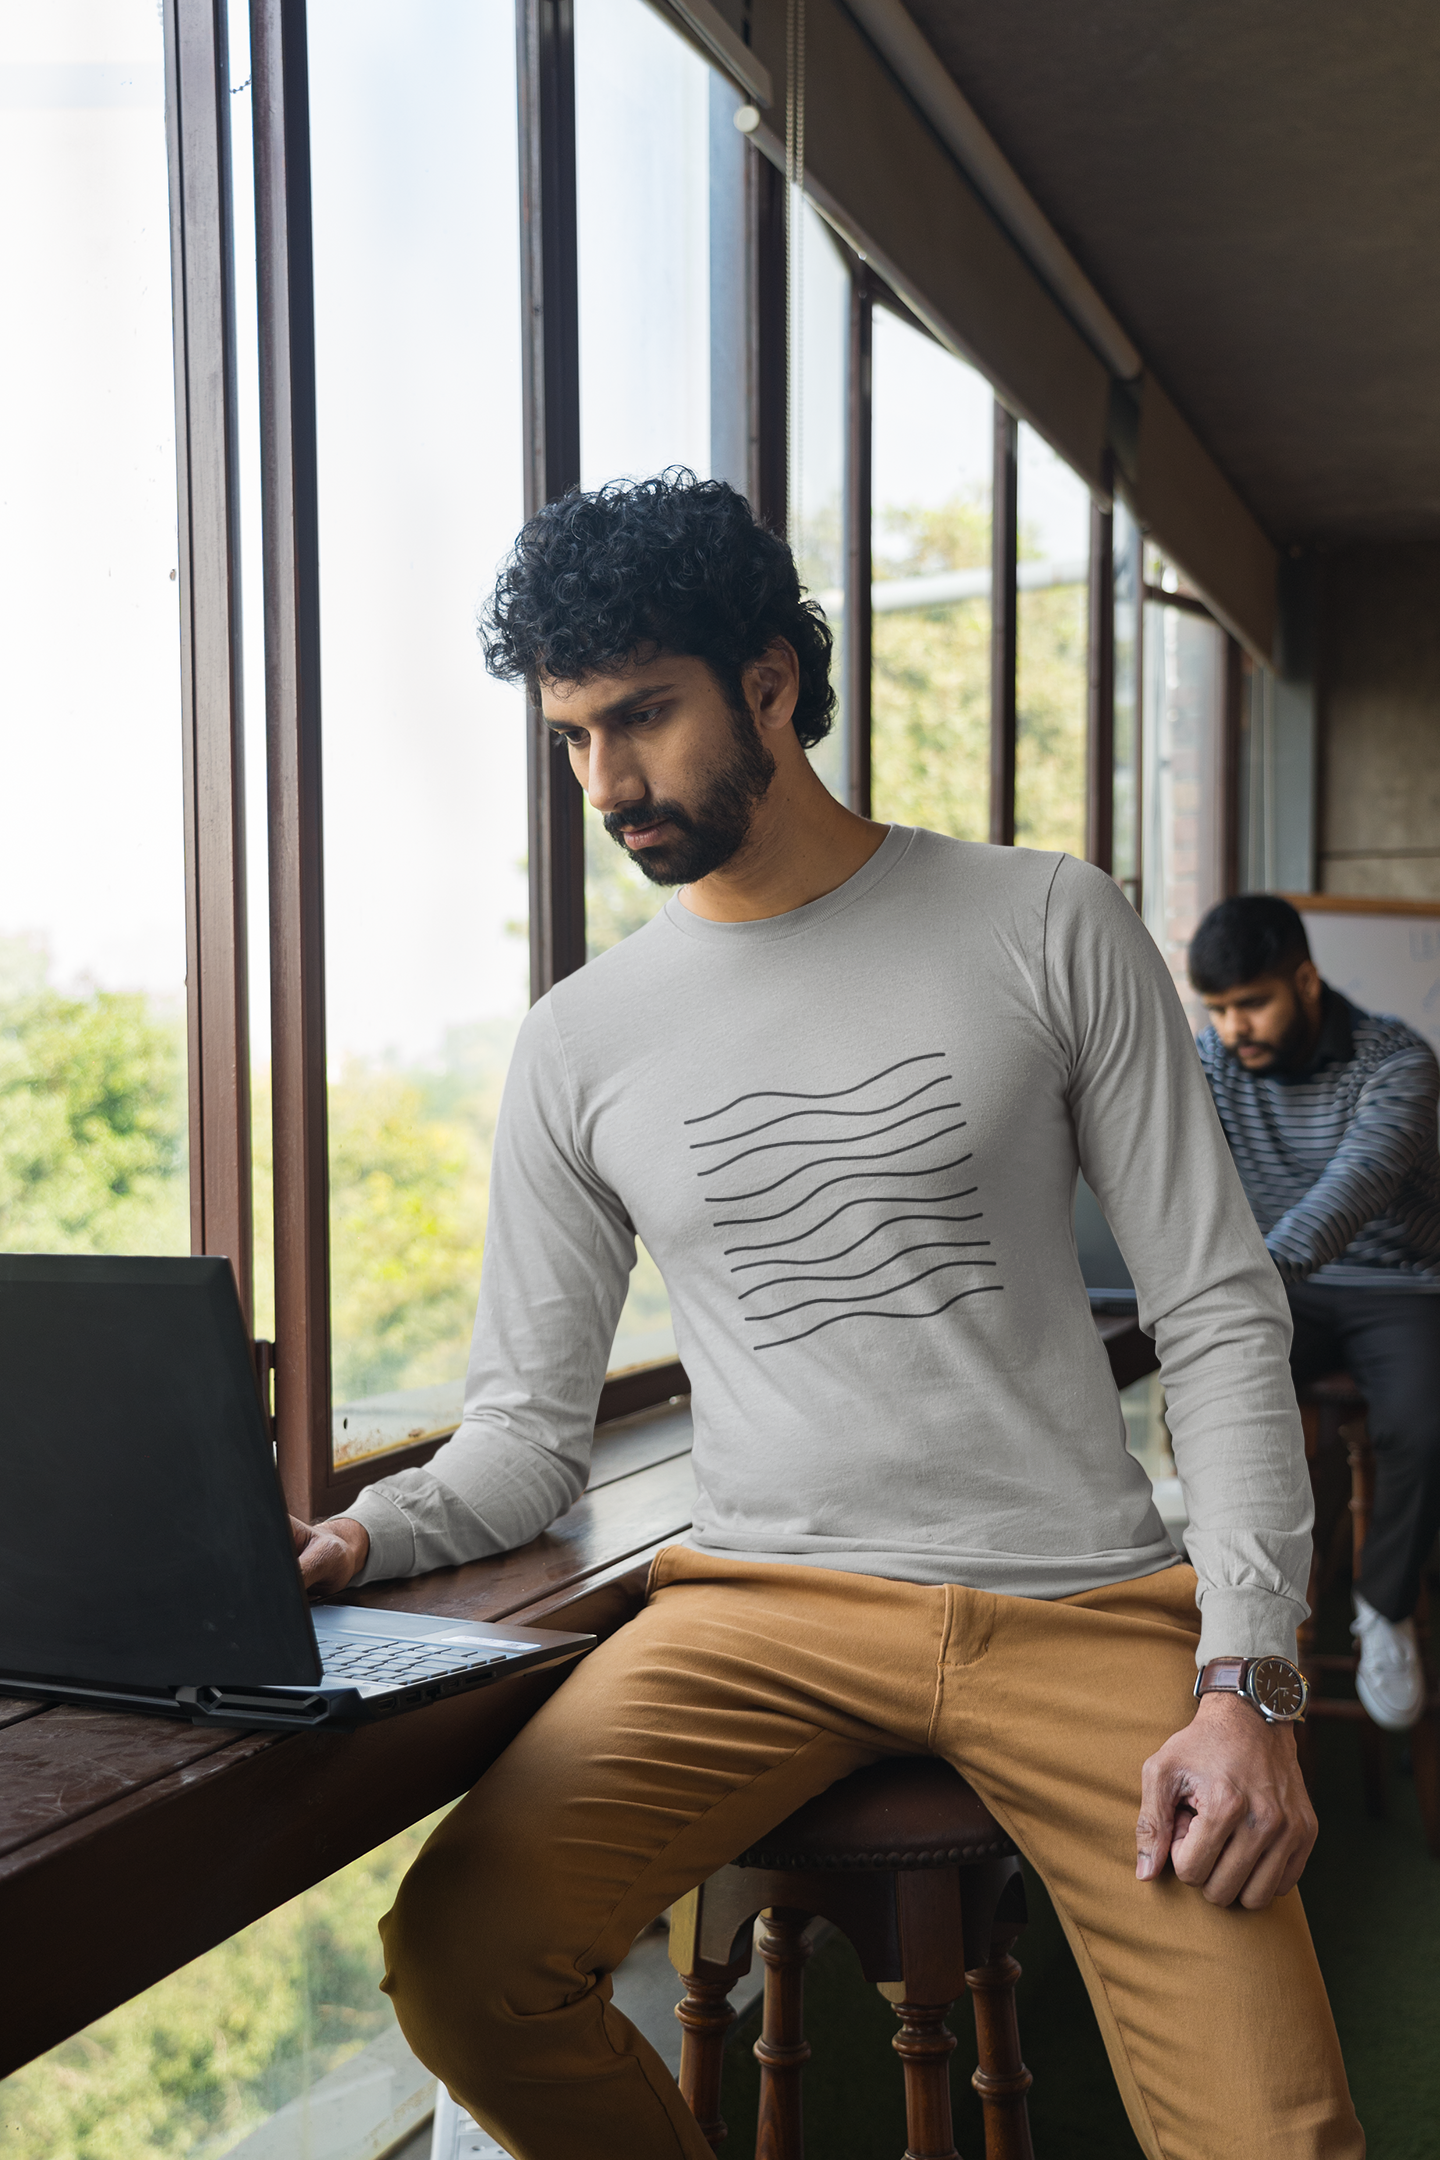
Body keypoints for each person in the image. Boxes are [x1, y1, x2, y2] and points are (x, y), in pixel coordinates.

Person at [293, 474, 1359, 2160]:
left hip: (1084, 1604)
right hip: (764, 1608)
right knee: (461, 1959)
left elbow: (1222, 1313)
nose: (606, 780)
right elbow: (518, 1437)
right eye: (571, 736)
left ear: (773, 679)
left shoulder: (1046, 922)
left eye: (641, 716)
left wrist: (1252, 1679)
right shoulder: (582, 1043)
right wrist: (363, 1537)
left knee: (1279, 2137)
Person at [1191, 892, 1440, 1733]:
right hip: (1282, 1287)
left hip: (1398, 1285)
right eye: (1218, 1009)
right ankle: (1237, 1611)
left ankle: (1384, 1607)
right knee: (1208, 1401)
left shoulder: (1399, 1063)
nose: (1233, 1029)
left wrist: (1238, 1283)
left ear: (1304, 978)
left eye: (1251, 1003)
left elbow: (1351, 1190)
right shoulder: (1212, 1062)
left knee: (1423, 1423)